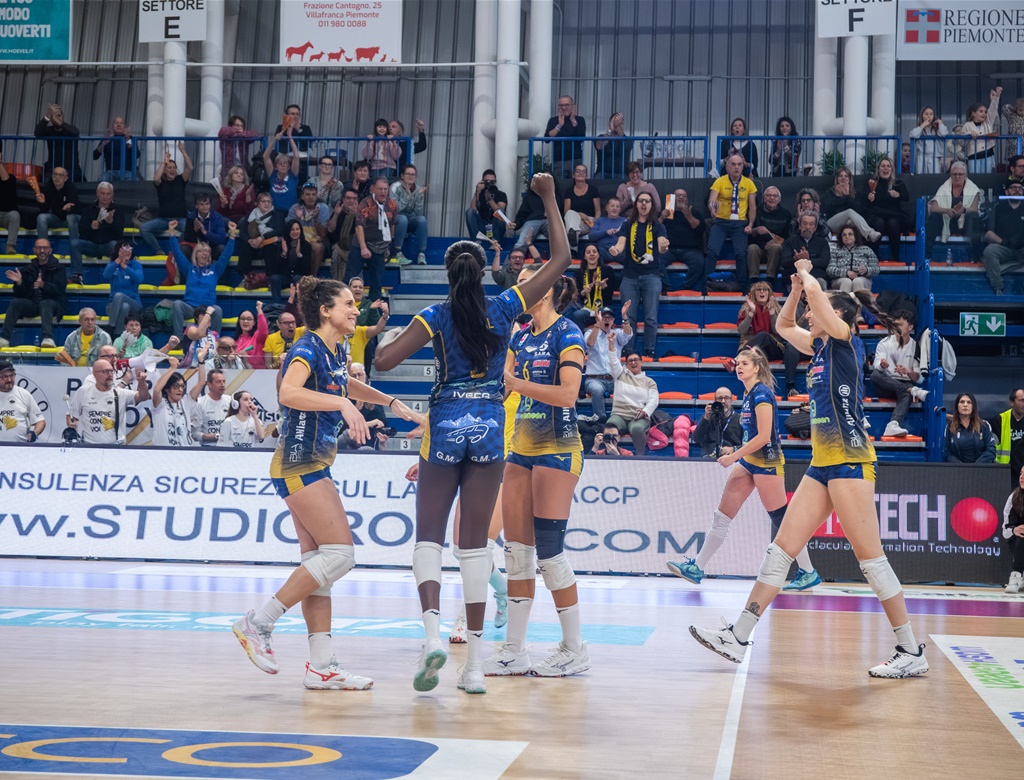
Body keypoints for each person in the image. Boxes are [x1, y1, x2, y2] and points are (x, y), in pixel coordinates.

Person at [373, 172, 572, 695]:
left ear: (447, 273)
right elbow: (560, 260)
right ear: (485, 272)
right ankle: (477, 666)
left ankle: (432, 637)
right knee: (475, 548)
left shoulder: (434, 315)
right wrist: (549, 197)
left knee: (428, 539)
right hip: (489, 426)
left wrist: (384, 331)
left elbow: (384, 361)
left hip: (443, 425)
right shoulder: (506, 306)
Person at [689, 258, 929, 679]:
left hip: (851, 460)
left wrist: (807, 274)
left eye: (816, 311)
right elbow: (782, 326)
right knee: (780, 549)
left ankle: (911, 649)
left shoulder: (845, 340)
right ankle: (738, 636)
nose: (808, 315)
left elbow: (820, 302)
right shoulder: (818, 347)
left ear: (835, 315)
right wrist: (798, 290)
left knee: (871, 561)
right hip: (822, 464)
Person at [233, 276, 418, 689]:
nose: (356, 309)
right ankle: (258, 622)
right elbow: (288, 393)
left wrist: (390, 402)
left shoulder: (337, 349)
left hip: (311, 461)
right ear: (325, 311)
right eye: (348, 303)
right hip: (299, 461)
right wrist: (342, 404)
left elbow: (343, 382)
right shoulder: (305, 347)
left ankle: (321, 666)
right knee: (340, 555)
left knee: (318, 566)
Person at [481, 268, 590, 678]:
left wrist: (515, 383)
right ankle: (514, 651)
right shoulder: (520, 337)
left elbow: (569, 395)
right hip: (521, 450)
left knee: (550, 555)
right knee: (516, 554)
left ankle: (574, 649)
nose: (518, 289)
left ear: (544, 290)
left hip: (558, 449)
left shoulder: (568, 333)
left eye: (527, 282)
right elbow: (499, 387)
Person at [667, 348, 822, 591]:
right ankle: (697, 567)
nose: (739, 367)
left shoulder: (762, 394)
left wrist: (734, 456)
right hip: (749, 461)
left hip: (767, 462)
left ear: (756, 367)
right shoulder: (748, 393)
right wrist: (741, 456)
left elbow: (763, 437)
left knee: (782, 521)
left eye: (745, 363)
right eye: (737, 363)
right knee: (721, 516)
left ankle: (808, 571)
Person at [608, 192, 668, 358]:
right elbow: (621, 243)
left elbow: (661, 244)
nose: (644, 204)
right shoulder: (627, 225)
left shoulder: (658, 226)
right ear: (636, 204)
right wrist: (616, 250)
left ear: (651, 205)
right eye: (641, 201)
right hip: (630, 276)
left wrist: (663, 247)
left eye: (647, 201)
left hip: (652, 276)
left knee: (650, 317)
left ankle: (650, 351)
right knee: (629, 317)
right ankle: (628, 351)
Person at [167, 219, 237, 343]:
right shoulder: (188, 268)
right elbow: (177, 254)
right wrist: (172, 233)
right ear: (196, 254)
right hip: (190, 308)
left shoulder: (215, 269)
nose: (204, 253)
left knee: (218, 310)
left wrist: (232, 235)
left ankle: (214, 341)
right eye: (201, 251)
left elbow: (226, 256)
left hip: (207, 309)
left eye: (207, 251)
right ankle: (178, 338)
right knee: (177, 304)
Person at [0, 238, 67, 349]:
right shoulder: (28, 268)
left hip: (53, 304)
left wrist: (43, 285)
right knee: (15, 303)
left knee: (45, 303)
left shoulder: (59, 268)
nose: (42, 250)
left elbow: (60, 290)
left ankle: (48, 338)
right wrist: (19, 283)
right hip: (33, 304)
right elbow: (21, 294)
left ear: (50, 250)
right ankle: (4, 338)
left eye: (44, 248)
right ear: (34, 250)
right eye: (39, 248)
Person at [707, 152, 758, 293]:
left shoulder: (749, 183)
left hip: (740, 223)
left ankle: (741, 286)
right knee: (712, 252)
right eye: (733, 164)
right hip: (721, 221)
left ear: (742, 167)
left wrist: (750, 225)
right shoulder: (719, 181)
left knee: (741, 253)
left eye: (739, 164)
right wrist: (712, 210)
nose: (736, 167)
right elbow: (711, 201)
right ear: (727, 167)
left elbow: (752, 207)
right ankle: (708, 283)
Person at [67, 358, 150, 445]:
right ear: (95, 373)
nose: (110, 375)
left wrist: (142, 381)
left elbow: (143, 396)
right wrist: (72, 425)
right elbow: (71, 415)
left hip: (116, 445)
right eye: (106, 371)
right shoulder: (83, 391)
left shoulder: (120, 393)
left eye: (111, 371)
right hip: (89, 445)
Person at [872, 310, 927, 438]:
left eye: (900, 325)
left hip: (904, 382)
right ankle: (911, 389)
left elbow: (919, 378)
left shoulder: (915, 346)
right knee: (875, 375)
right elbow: (876, 366)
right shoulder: (884, 343)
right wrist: (882, 365)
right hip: (886, 383)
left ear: (910, 327)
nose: (896, 328)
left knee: (907, 392)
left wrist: (909, 372)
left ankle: (893, 424)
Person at [140, 143, 194, 256]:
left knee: (190, 229)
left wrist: (183, 151)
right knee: (144, 228)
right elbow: (156, 178)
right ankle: (158, 250)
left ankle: (175, 251)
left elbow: (190, 168)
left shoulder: (180, 180)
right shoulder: (161, 183)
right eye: (169, 168)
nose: (172, 170)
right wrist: (163, 162)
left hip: (180, 219)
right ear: (164, 170)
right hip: (164, 220)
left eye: (174, 167)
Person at [581, 302, 631, 420]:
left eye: (609, 317)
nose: (606, 320)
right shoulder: (590, 332)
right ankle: (600, 419)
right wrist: (597, 325)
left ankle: (620, 418)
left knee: (626, 388)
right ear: (598, 319)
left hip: (614, 378)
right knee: (597, 390)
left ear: (613, 321)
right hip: (594, 379)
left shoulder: (617, 333)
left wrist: (624, 316)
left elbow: (628, 334)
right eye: (604, 317)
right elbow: (590, 343)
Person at [71, 182, 126, 285]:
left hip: (108, 246)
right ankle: (77, 275)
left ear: (112, 195)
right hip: (92, 245)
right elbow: (81, 231)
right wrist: (91, 228)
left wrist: (111, 223)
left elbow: (119, 234)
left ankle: (116, 275)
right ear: (97, 193)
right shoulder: (88, 209)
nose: (105, 197)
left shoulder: (118, 210)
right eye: (102, 193)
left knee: (116, 245)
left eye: (108, 194)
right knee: (74, 243)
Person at [605, 351, 659, 456]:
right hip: (619, 415)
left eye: (636, 360)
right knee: (610, 426)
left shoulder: (650, 382)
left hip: (639, 417)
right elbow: (612, 361)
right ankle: (612, 455)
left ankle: (640, 457)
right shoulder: (619, 374)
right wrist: (611, 346)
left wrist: (645, 411)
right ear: (626, 364)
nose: (633, 363)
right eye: (630, 361)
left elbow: (653, 400)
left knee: (637, 428)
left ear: (641, 362)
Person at [925, 162, 982, 260]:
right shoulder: (944, 187)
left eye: (960, 174)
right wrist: (946, 210)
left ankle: (975, 257)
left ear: (965, 175)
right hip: (947, 222)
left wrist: (964, 210)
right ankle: (927, 255)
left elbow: (975, 209)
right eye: (954, 174)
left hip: (964, 224)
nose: (957, 177)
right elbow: (933, 208)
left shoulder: (973, 188)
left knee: (974, 217)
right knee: (934, 217)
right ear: (951, 175)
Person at [353, 178, 397, 301]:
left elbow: (392, 225)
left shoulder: (392, 204)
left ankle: (373, 310)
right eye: (380, 189)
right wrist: (363, 248)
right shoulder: (365, 203)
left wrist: (388, 245)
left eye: (385, 189)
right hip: (361, 244)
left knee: (377, 281)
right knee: (352, 278)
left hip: (380, 247)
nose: (383, 192)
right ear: (373, 189)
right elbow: (359, 226)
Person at [660, 188, 711, 292]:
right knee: (655, 260)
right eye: (678, 196)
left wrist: (689, 217)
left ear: (687, 200)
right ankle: (667, 289)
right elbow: (652, 228)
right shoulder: (665, 213)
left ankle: (684, 288)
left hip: (690, 250)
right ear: (672, 198)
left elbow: (700, 229)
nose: (681, 198)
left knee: (699, 262)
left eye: (683, 196)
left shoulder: (694, 213)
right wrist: (661, 217)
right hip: (668, 249)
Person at [151, 354, 205, 448]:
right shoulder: (160, 404)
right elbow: (156, 389)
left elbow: (201, 383)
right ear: (167, 389)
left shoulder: (186, 402)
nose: (180, 390)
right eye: (176, 386)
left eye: (182, 386)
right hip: (163, 452)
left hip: (184, 452)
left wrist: (201, 360)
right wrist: (172, 368)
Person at [981, 180, 1024, 295]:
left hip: (1022, 249)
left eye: (1020, 188)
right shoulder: (997, 208)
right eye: (1013, 188)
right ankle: (998, 287)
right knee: (989, 250)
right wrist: (1004, 242)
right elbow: (988, 233)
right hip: (1004, 248)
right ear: (1006, 192)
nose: (1017, 191)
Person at [864, 157, 911, 261]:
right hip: (877, 215)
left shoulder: (897, 183)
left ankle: (895, 257)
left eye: (888, 166)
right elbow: (863, 200)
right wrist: (869, 197)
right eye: (883, 166)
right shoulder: (872, 183)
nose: (886, 168)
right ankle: (874, 256)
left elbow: (906, 197)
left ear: (892, 169)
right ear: (878, 169)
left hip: (894, 215)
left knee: (893, 223)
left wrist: (898, 195)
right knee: (879, 222)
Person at [237, 191, 286, 287]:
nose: (267, 204)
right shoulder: (250, 215)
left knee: (270, 247)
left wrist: (262, 238)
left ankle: (270, 278)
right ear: (258, 203)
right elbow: (242, 233)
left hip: (268, 244)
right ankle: (246, 277)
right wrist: (250, 241)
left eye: (269, 201)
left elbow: (279, 230)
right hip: (253, 244)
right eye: (264, 201)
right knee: (244, 246)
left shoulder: (277, 215)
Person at [746, 186, 791, 287]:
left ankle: (770, 280)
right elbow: (747, 232)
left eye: (775, 196)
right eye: (769, 195)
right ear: (764, 198)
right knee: (752, 248)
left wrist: (775, 241)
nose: (772, 198)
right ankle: (753, 281)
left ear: (779, 199)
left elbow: (788, 238)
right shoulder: (755, 212)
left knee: (776, 247)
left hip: (774, 249)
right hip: (758, 248)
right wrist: (756, 230)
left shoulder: (786, 214)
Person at [820, 168, 879, 243]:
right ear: (837, 179)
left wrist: (848, 196)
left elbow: (859, 210)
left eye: (846, 176)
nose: (843, 178)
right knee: (849, 212)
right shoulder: (830, 192)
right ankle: (870, 233)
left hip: (847, 224)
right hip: (832, 223)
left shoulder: (855, 193)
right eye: (841, 176)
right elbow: (828, 209)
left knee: (851, 223)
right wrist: (839, 196)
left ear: (849, 179)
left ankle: (859, 247)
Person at [780, 212, 830, 292]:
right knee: (796, 285)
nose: (807, 227)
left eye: (811, 224)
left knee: (821, 282)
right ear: (800, 225)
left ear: (815, 227)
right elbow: (784, 262)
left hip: (816, 276)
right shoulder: (789, 242)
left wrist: (808, 260)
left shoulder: (823, 243)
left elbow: (824, 262)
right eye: (805, 223)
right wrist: (796, 258)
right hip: (795, 276)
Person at [390, 163, 429, 265]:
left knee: (422, 220)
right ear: (402, 176)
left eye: (413, 174)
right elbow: (394, 210)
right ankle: (397, 252)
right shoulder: (395, 187)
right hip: (396, 218)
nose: (411, 176)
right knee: (402, 219)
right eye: (408, 174)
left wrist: (419, 196)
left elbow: (418, 213)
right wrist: (406, 198)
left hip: (409, 218)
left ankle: (422, 254)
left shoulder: (418, 189)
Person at [103, 240, 144, 336]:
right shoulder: (112, 265)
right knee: (124, 306)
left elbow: (139, 278)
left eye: (129, 248)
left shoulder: (136, 265)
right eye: (124, 249)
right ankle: (118, 336)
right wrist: (118, 260)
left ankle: (110, 325)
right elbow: (106, 275)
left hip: (134, 304)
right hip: (112, 305)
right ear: (118, 251)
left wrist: (125, 267)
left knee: (119, 295)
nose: (127, 251)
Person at [287, 183, 329, 275]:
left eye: (313, 194)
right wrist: (297, 219)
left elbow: (323, 235)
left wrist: (316, 219)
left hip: (315, 241)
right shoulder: (295, 208)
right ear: (302, 196)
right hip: (299, 240)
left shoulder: (323, 208)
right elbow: (289, 231)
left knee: (318, 247)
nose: (311, 197)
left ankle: (312, 277)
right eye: (307, 194)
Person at [34, 102, 82, 181]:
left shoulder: (69, 129)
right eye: (54, 116)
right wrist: (47, 116)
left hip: (70, 169)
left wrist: (60, 124)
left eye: (59, 115)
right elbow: (37, 132)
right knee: (46, 183)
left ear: (63, 116)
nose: (57, 118)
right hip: (53, 168)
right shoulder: (49, 130)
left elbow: (76, 132)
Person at [0, 361, 45, 443]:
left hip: (20, 447)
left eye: (12, 376)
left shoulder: (23, 394)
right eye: (5, 377)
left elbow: (40, 421)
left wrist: (34, 433)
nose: (9, 380)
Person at [943, 393, 996, 464]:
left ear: (973, 406)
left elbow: (991, 451)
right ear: (957, 406)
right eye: (962, 402)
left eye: (969, 402)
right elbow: (946, 453)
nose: (965, 405)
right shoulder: (949, 427)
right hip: (958, 469)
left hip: (981, 469)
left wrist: (975, 467)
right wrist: (962, 467)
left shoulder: (984, 426)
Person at [574, 245, 618, 330]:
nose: (592, 254)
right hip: (587, 309)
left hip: (603, 308)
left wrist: (604, 287)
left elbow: (610, 297)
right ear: (584, 257)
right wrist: (583, 292)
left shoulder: (607, 270)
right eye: (588, 252)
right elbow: (577, 298)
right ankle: (580, 338)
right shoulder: (579, 273)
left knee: (607, 315)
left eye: (594, 252)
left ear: (598, 255)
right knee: (577, 315)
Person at [692, 386, 743, 457]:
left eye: (726, 398)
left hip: (731, 458)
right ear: (715, 400)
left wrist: (734, 449)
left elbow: (749, 444)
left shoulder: (739, 419)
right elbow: (696, 439)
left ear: (731, 400)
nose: (723, 401)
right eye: (720, 398)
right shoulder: (708, 418)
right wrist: (706, 418)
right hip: (709, 459)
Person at [34, 166, 80, 244]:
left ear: (66, 178)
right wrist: (42, 203)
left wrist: (70, 208)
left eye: (60, 175)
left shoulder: (71, 187)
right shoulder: (48, 187)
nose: (57, 177)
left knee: (71, 218)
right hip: (56, 218)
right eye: (55, 174)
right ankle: (43, 246)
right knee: (41, 217)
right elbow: (45, 210)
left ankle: (75, 246)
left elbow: (77, 208)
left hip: (70, 218)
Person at [989, 389, 1024, 488]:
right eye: (1021, 400)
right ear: (1012, 402)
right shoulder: (999, 420)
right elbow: (990, 448)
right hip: (1005, 473)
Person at [827, 225, 879, 293]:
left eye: (850, 234)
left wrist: (867, 270)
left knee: (857, 281)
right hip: (840, 280)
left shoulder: (867, 250)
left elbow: (876, 269)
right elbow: (830, 270)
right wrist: (846, 273)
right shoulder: (835, 251)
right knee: (847, 282)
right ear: (841, 237)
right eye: (844, 235)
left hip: (863, 280)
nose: (847, 236)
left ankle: (859, 300)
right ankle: (843, 300)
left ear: (855, 236)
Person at [963, 87, 1002, 174]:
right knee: (974, 177)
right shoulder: (967, 125)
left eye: (985, 112)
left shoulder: (988, 122)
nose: (984, 113)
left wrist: (996, 97)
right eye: (981, 111)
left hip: (987, 155)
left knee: (987, 176)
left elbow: (993, 109)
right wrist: (969, 134)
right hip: (973, 156)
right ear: (973, 114)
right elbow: (961, 141)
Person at [545, 95, 586, 178]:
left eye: (567, 105)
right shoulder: (553, 120)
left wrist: (573, 121)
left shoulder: (580, 120)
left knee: (576, 183)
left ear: (572, 106)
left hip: (576, 159)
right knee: (560, 184)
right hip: (559, 160)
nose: (564, 107)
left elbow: (581, 137)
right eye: (561, 105)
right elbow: (547, 139)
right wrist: (559, 126)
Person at [562, 164, 601, 249]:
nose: (581, 173)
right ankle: (573, 240)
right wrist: (580, 214)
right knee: (570, 216)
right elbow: (566, 211)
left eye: (583, 171)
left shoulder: (593, 190)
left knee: (571, 229)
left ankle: (573, 251)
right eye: (578, 171)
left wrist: (595, 226)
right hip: (573, 220)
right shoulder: (569, 191)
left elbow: (598, 210)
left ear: (586, 175)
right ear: (573, 175)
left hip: (588, 221)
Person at [327, 187, 361, 282]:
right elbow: (330, 229)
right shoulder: (338, 211)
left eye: (354, 198)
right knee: (336, 252)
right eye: (348, 198)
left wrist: (357, 215)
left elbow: (365, 232)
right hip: (338, 246)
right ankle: (336, 283)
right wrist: (336, 214)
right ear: (343, 199)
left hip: (355, 247)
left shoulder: (362, 213)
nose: (351, 201)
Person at [263, 132, 301, 217]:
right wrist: (275, 140)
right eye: (280, 163)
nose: (283, 165)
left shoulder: (292, 175)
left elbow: (296, 157)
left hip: (290, 213)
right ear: (276, 167)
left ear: (289, 167)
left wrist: (290, 137)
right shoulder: (272, 175)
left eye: (285, 163)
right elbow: (265, 156)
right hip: (274, 213)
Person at [466, 169, 509, 243]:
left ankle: (495, 241)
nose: (490, 184)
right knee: (469, 211)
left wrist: (489, 199)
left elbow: (501, 212)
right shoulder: (479, 194)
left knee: (501, 212)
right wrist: (477, 191)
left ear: (495, 182)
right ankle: (476, 241)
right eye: (487, 181)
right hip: (482, 226)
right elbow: (472, 209)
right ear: (482, 181)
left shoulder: (501, 194)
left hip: (495, 227)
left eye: (492, 182)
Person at [183, 194, 229, 262]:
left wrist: (205, 232)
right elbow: (187, 238)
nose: (205, 207)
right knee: (184, 249)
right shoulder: (191, 217)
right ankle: (189, 269)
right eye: (201, 204)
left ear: (210, 205)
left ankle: (220, 269)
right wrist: (195, 230)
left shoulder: (218, 217)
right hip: (196, 249)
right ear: (196, 206)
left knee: (221, 248)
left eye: (207, 204)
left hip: (212, 248)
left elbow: (221, 238)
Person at [93, 116, 139, 181]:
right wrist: (104, 143)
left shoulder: (131, 138)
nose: (119, 125)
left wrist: (128, 139)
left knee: (133, 180)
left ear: (125, 126)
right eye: (116, 123)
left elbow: (136, 155)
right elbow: (95, 156)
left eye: (121, 123)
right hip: (110, 172)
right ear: (112, 126)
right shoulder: (107, 138)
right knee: (102, 179)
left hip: (126, 172)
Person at [1001, 469, 1024, 594]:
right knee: (1021, 534)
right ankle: (1016, 575)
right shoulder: (1014, 497)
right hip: (1018, 542)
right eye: (1021, 473)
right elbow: (1005, 531)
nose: (1022, 477)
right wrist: (1014, 530)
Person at [909, 107, 949, 174]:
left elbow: (943, 133)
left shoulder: (937, 129)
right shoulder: (920, 129)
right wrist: (923, 125)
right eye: (926, 114)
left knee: (935, 176)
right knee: (920, 175)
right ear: (922, 116)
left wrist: (940, 123)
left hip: (934, 156)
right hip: (921, 156)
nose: (929, 116)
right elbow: (913, 135)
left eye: (931, 114)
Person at [510, 185, 549, 251]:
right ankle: (515, 256)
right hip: (533, 220)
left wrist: (552, 213)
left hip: (550, 220)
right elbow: (522, 214)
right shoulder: (530, 196)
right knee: (522, 242)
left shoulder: (556, 194)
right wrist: (516, 224)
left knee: (560, 240)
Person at [589, 197, 627, 262]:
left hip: (619, 251)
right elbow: (591, 236)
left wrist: (621, 232)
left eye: (617, 206)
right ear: (607, 208)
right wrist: (606, 232)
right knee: (595, 252)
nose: (615, 208)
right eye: (612, 206)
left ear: (620, 209)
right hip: (603, 250)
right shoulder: (600, 220)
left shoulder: (625, 221)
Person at [594, 111, 630, 180]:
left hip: (622, 174)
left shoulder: (627, 139)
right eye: (614, 122)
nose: (616, 125)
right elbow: (599, 146)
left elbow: (626, 147)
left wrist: (618, 127)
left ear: (622, 124)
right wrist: (610, 130)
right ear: (609, 123)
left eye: (619, 123)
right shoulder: (601, 137)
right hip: (603, 173)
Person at [235, 302, 269, 369]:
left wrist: (259, 310)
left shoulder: (257, 337)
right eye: (242, 319)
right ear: (239, 321)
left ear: (254, 322)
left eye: (249, 319)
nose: (245, 321)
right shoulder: (235, 340)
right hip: (238, 372)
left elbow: (264, 330)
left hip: (257, 372)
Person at [0, 154, 21, 255]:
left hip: (6, 216)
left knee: (15, 215)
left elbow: (6, 181)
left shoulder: (11, 179)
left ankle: (10, 245)